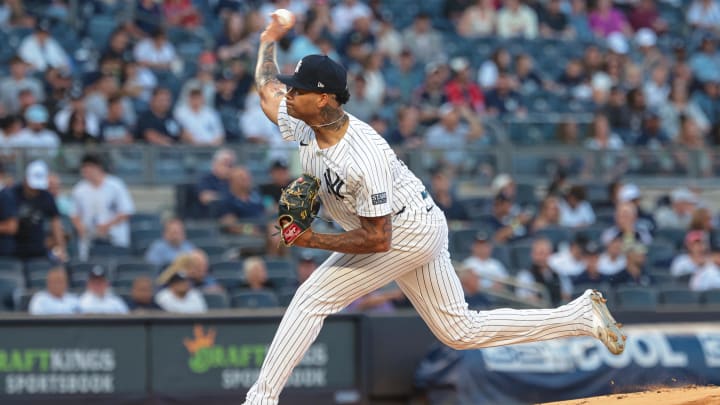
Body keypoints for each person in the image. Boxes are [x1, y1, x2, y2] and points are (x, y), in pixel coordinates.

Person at [240, 15, 626, 405]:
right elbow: (266, 87)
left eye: (298, 90)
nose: (289, 95)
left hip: (405, 230)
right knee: (458, 331)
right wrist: (268, 38)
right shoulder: (304, 120)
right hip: (419, 220)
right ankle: (579, 317)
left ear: (324, 99)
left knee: (312, 299)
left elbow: (378, 239)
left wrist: (311, 239)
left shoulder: (363, 156)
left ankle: (261, 399)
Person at [70, 154, 135, 255]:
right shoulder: (79, 189)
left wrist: (107, 226)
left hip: (114, 236)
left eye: (89, 167)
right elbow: (74, 214)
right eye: (84, 168)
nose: (86, 172)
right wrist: (80, 228)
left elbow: (126, 211)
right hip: (90, 237)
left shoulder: (115, 185)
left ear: (98, 167)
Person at [12, 160, 66, 261]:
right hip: (13, 249)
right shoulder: (12, 194)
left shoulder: (46, 197)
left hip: (38, 249)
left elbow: (55, 223)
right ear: (26, 179)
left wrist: (61, 248)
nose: (35, 189)